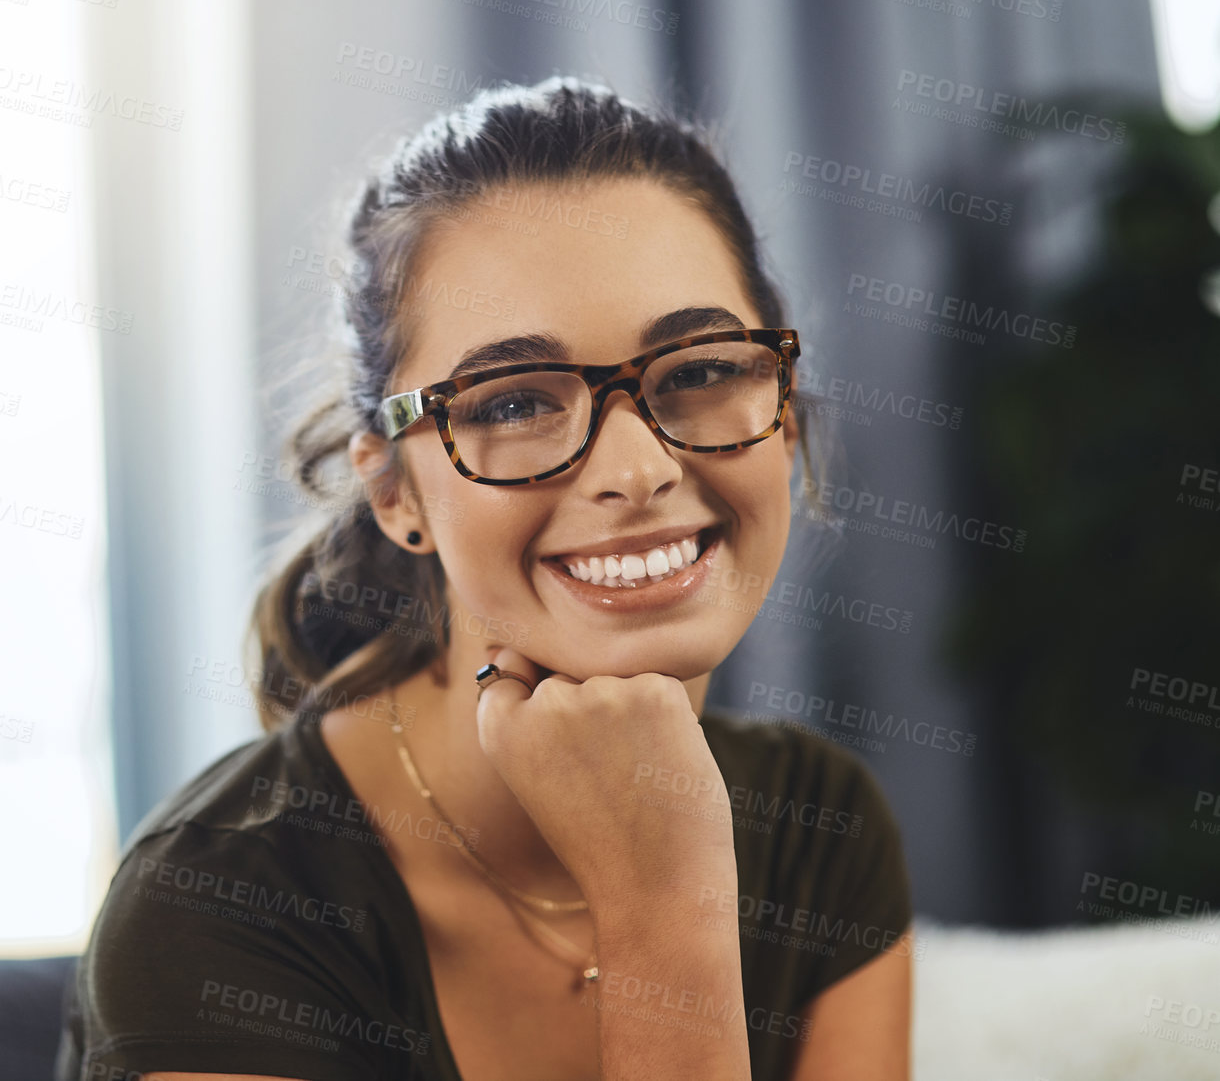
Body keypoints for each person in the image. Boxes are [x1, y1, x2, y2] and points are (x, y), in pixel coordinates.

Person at [57, 77, 914, 1081]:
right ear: (392, 490)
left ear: (787, 410)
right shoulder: (212, 913)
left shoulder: (820, 822)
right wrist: (660, 907)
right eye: (513, 402)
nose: (637, 468)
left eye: (696, 371)